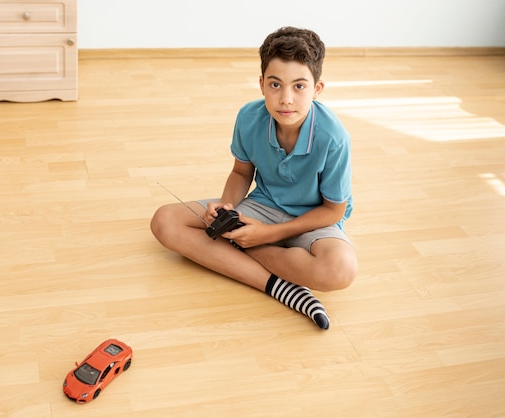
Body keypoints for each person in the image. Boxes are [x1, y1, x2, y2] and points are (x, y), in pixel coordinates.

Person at [150, 27, 357, 330]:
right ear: (261, 84)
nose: (286, 99)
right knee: (164, 221)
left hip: (314, 219)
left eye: (299, 86)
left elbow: (333, 210)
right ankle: (280, 288)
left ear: (318, 88)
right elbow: (241, 172)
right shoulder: (249, 117)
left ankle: (240, 247)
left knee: (340, 269)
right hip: (262, 207)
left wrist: (264, 236)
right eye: (275, 84)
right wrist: (228, 207)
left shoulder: (334, 137)